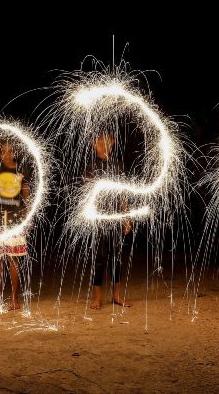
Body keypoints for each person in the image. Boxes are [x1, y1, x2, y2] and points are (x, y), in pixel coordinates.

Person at [86, 131, 133, 310]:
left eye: (107, 142)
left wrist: (126, 217)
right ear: (93, 144)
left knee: (116, 258)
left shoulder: (118, 165)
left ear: (112, 143)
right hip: (98, 218)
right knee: (98, 257)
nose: (103, 145)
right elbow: (87, 194)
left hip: (115, 217)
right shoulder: (90, 166)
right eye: (99, 142)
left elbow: (123, 193)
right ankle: (97, 297)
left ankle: (117, 295)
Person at [0, 140, 30, 311]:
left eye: (11, 150)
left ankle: (14, 299)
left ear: (15, 152)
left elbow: (26, 193)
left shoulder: (21, 169)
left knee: (13, 260)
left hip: (15, 219)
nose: (7, 154)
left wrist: (29, 212)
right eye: (3, 151)